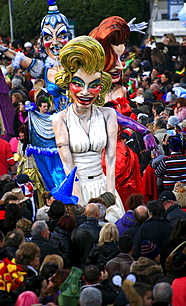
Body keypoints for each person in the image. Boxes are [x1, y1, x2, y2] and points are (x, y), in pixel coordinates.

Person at [52, 36, 124, 209]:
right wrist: (80, 201)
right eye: (78, 84)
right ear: (68, 84)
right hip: (77, 188)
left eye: (93, 85)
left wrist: (109, 194)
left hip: (103, 186)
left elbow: (111, 158)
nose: (85, 92)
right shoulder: (60, 119)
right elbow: (68, 165)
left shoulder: (109, 115)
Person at [71, 203, 101, 269]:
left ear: (85, 213)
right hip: (94, 266)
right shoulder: (100, 231)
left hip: (78, 266)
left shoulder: (76, 230)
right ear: (97, 214)